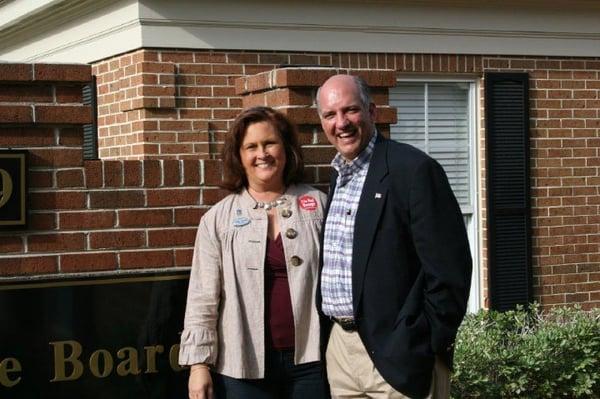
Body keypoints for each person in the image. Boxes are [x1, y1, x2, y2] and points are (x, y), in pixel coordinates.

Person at [316, 74, 472, 399]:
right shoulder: (339, 176)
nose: (341, 123)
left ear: (372, 112)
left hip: (398, 355)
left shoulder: (413, 170)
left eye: (351, 110)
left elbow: (450, 270)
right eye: (330, 115)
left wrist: (421, 342)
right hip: (341, 353)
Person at [179, 106, 329, 399]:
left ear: (286, 148)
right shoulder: (218, 219)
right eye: (251, 146)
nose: (262, 153)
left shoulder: (319, 206)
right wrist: (199, 364)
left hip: (311, 363)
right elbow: (202, 296)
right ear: (239, 156)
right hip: (242, 367)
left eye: (270, 143)